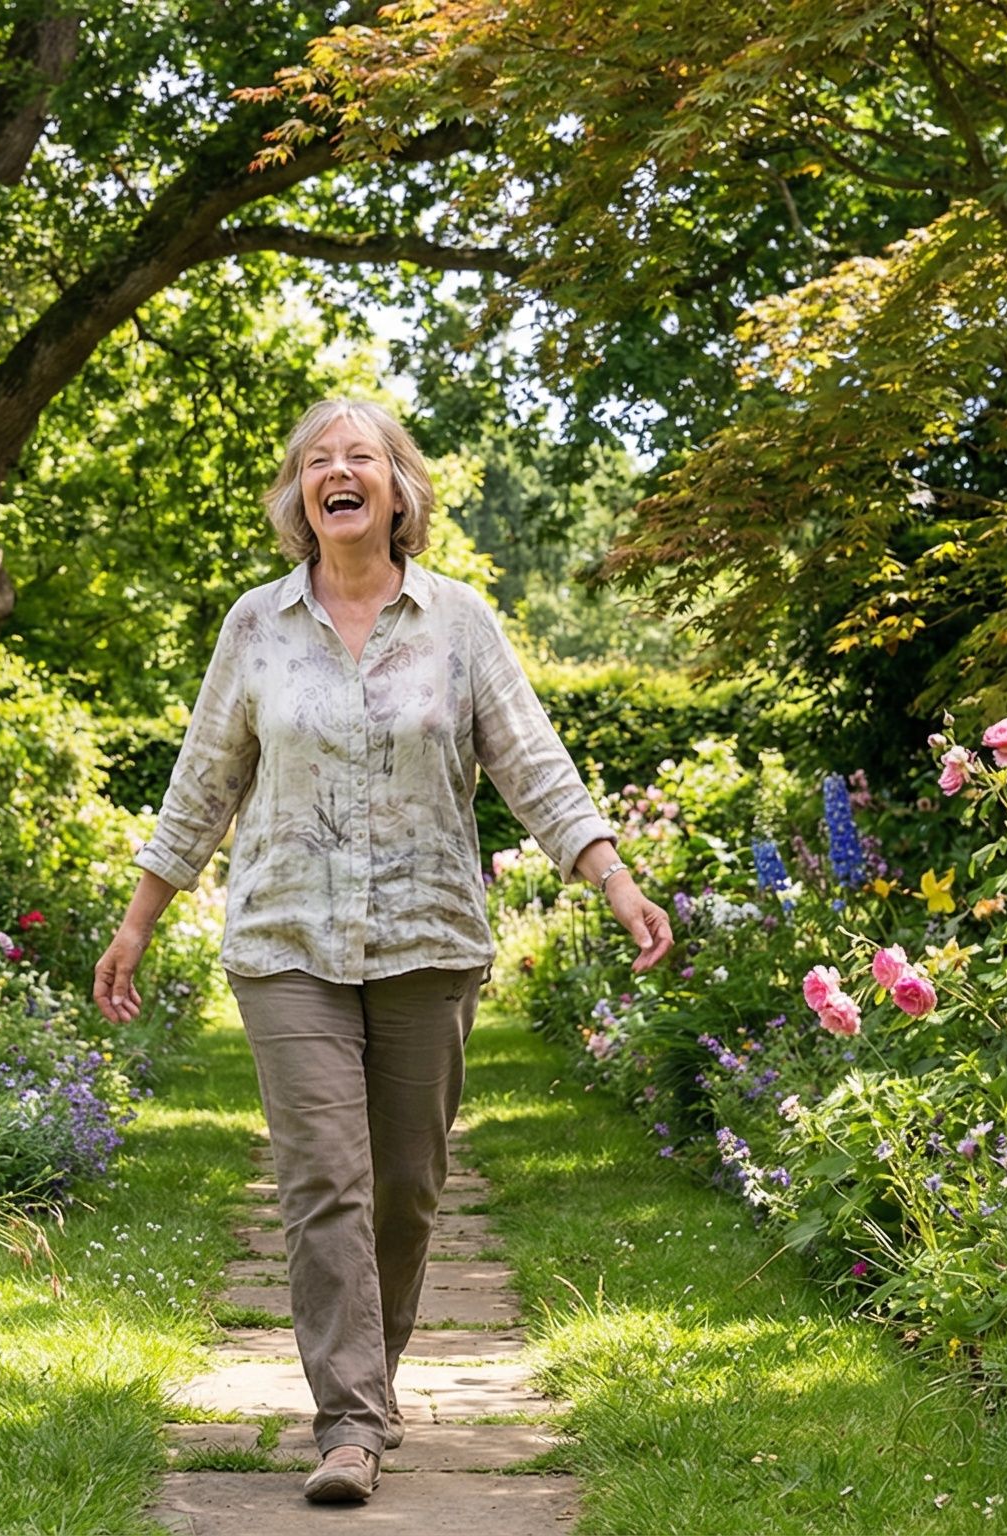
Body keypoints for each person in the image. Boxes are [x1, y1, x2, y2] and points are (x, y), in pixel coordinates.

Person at [92, 397, 671, 1506]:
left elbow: (532, 767)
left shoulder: (457, 624)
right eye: (319, 460)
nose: (339, 472)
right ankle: (348, 1421)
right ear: (300, 497)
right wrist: (136, 921)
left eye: (362, 456)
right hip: (286, 942)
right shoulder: (254, 628)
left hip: (427, 939)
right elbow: (204, 781)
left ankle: (376, 1381)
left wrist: (614, 879)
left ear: (398, 490)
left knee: (405, 1189)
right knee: (324, 1181)